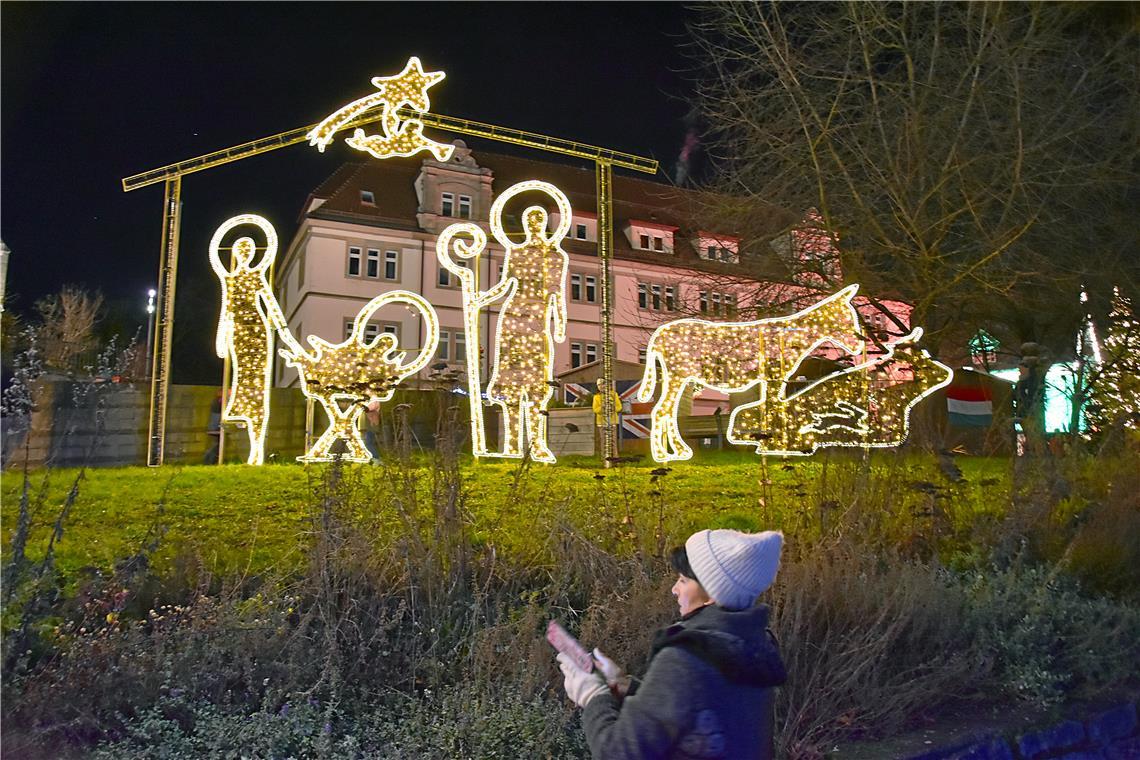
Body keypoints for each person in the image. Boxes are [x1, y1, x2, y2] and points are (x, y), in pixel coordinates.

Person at [558, 529, 786, 759]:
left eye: (683, 580)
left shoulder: (687, 658)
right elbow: (699, 712)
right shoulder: (753, 648)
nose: (674, 589)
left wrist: (593, 695)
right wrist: (627, 687)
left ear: (711, 596)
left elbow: (618, 752)